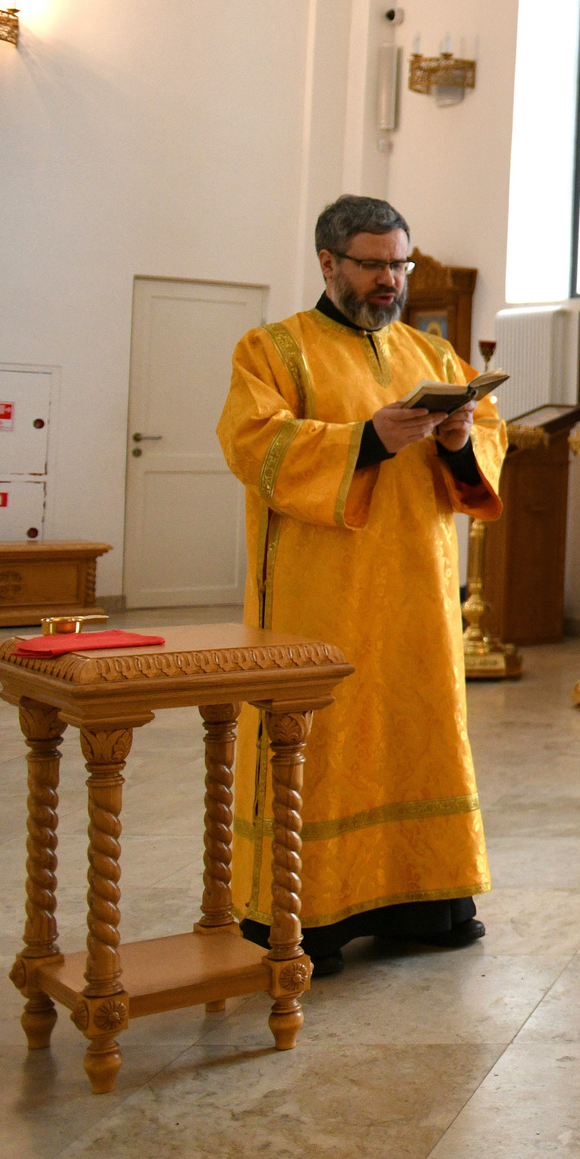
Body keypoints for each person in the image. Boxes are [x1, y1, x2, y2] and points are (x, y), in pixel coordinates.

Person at [213, 194, 506, 977]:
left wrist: (458, 436)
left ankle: (423, 900)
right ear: (328, 263)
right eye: (374, 264)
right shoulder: (274, 349)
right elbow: (255, 444)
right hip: (320, 601)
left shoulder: (433, 355)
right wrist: (367, 439)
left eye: (400, 263)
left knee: (418, 729)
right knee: (322, 745)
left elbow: (489, 440)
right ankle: (310, 918)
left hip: (416, 594)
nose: (391, 279)